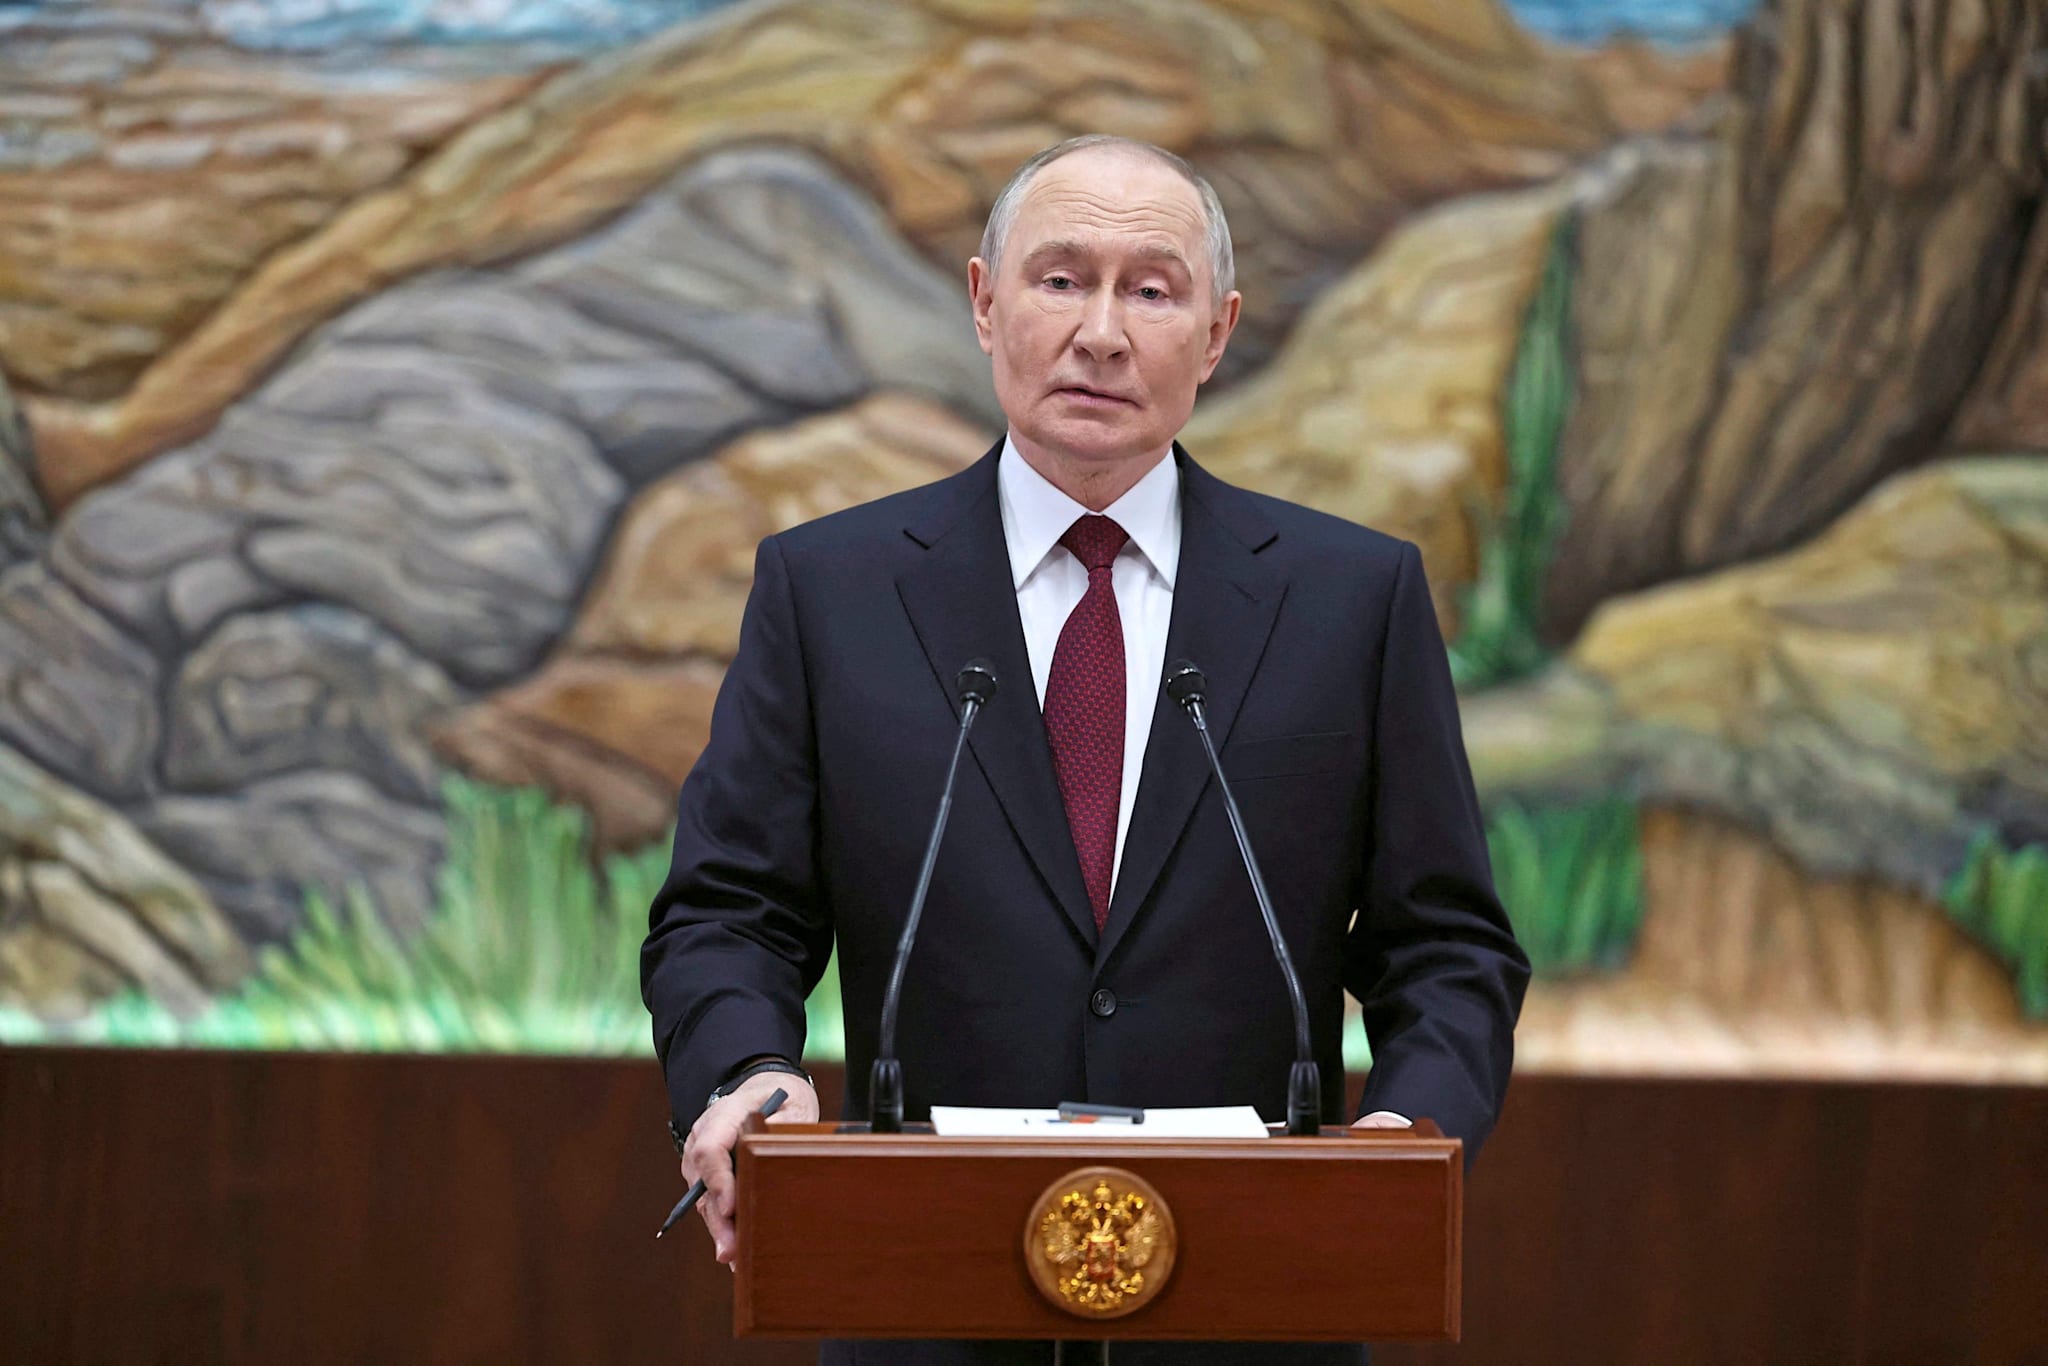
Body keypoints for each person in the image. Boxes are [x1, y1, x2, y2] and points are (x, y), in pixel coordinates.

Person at [641, 134, 1529, 1366]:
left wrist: (1398, 1133)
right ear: (983, 302)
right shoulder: (829, 589)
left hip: (1252, 1311)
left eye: (1149, 290)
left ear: (1214, 335)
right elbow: (729, 911)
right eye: (1059, 279)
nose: (1101, 332)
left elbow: (1444, 946)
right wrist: (750, 1071)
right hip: (921, 1303)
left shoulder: (1350, 599)